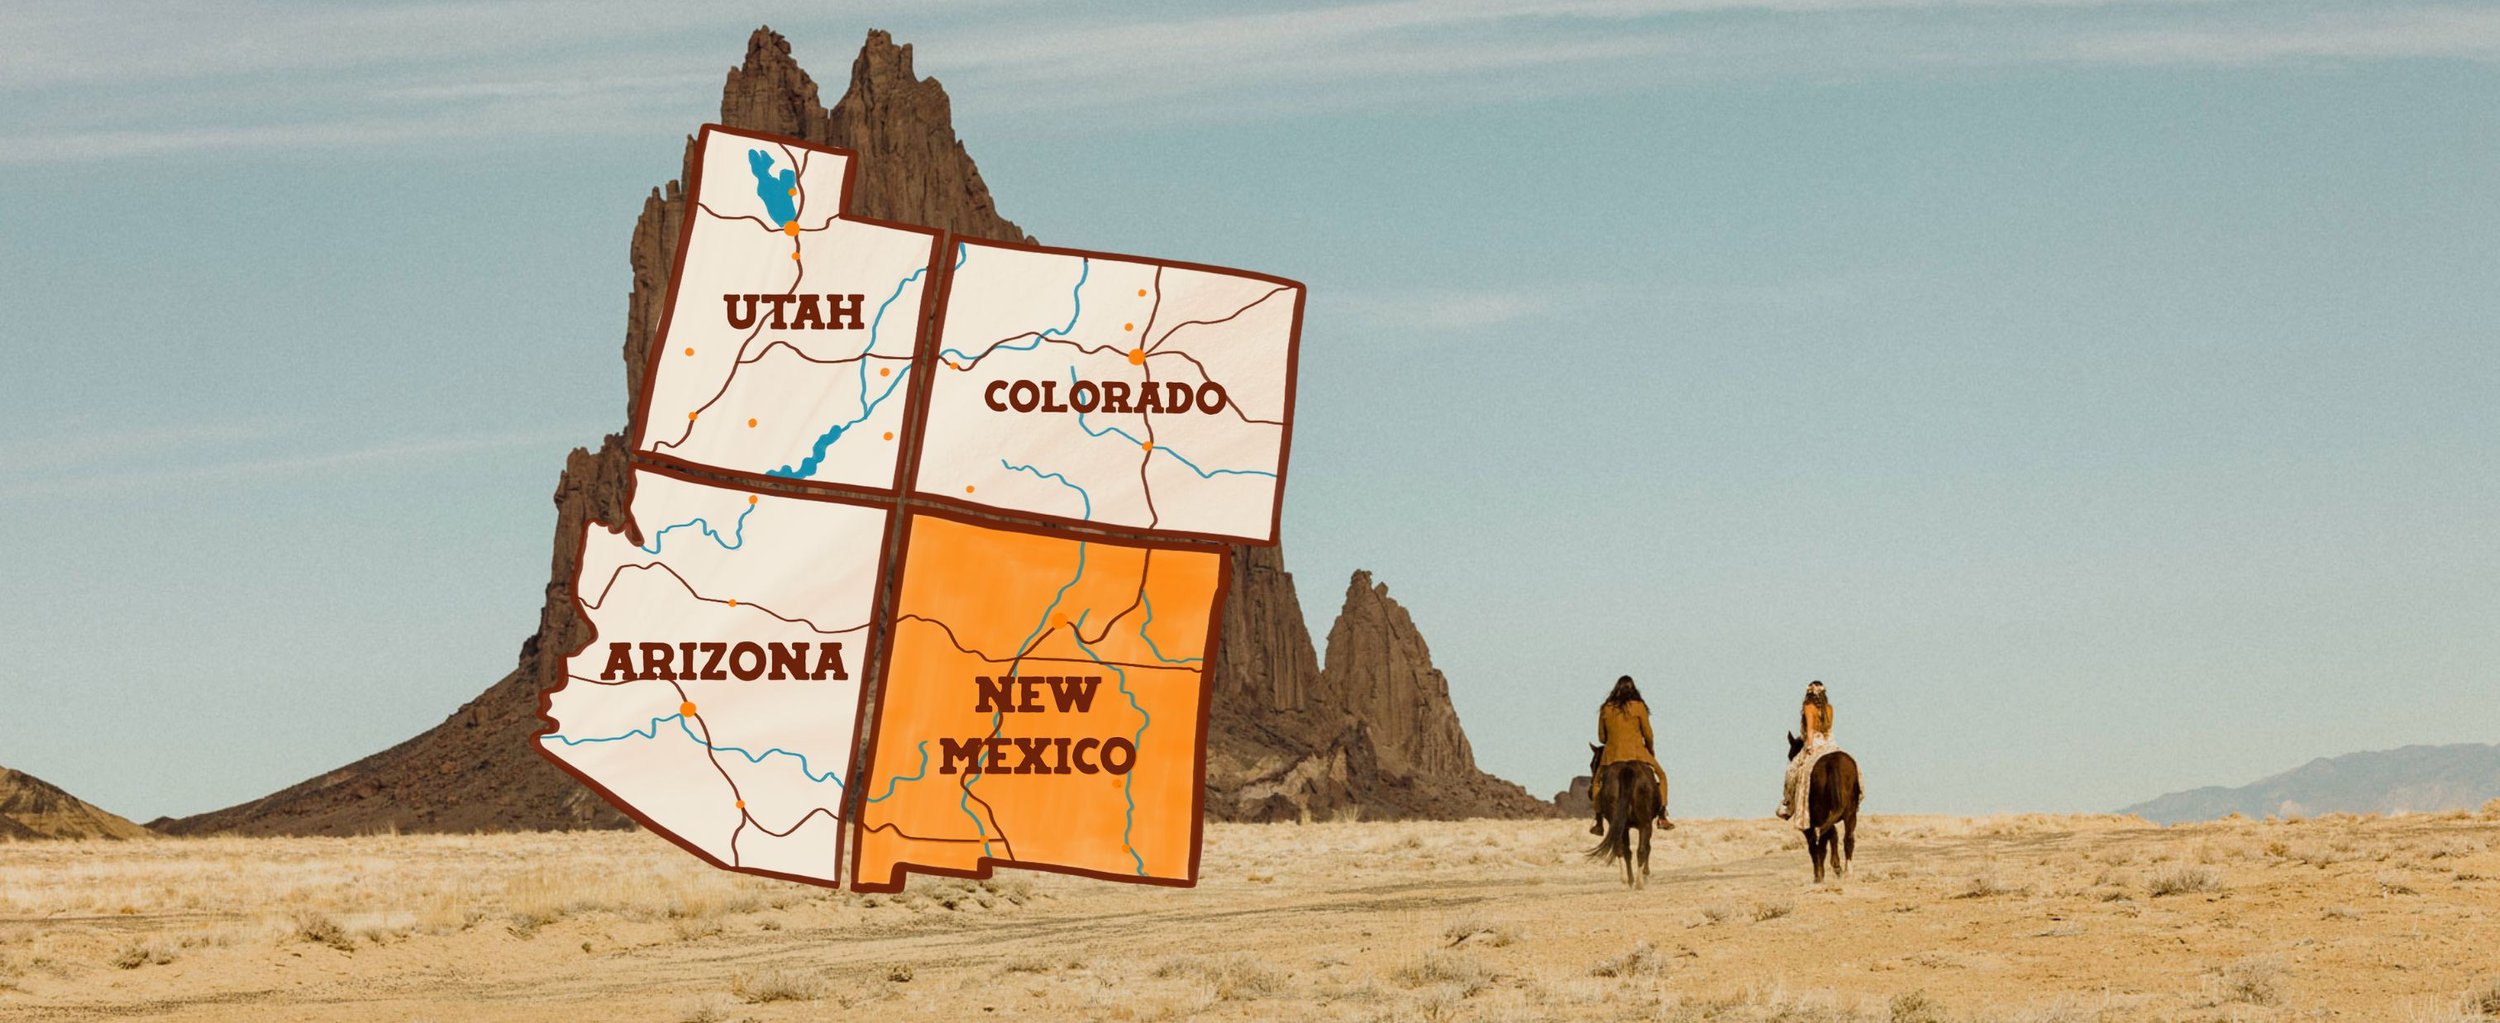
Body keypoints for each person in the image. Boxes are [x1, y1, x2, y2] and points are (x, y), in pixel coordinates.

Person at [1592, 675, 1672, 835]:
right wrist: (1650, 750)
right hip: (1637, 753)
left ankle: (1599, 821)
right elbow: (1648, 734)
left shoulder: (1606, 708)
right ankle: (1662, 816)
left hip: (1612, 755)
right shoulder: (1639, 707)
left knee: (1597, 783)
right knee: (1662, 776)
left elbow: (1601, 737)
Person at [1777, 680, 1835, 822]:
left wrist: (1809, 746)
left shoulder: (1809, 707)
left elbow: (1810, 730)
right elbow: (1828, 729)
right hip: (1829, 742)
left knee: (1792, 770)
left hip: (1814, 741)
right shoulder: (1829, 708)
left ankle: (1787, 805)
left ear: (1809, 693)